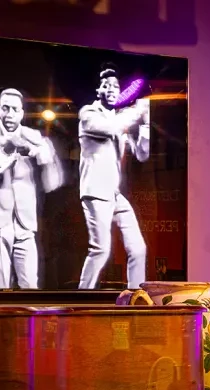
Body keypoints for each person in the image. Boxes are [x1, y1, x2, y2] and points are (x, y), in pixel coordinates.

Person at [0, 88, 63, 289]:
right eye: (5, 108)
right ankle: (2, 322)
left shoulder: (33, 136)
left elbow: (52, 184)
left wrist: (43, 157)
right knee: (1, 287)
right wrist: (5, 151)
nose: (9, 114)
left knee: (31, 286)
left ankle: (30, 322)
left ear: (22, 113)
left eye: (14, 109)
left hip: (25, 223)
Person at [77, 65, 151, 289]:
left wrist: (146, 125)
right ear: (98, 90)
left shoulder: (120, 120)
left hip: (114, 194)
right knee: (101, 250)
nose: (111, 89)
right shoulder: (88, 114)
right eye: (106, 85)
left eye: (116, 86)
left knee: (138, 248)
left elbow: (142, 154)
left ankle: (135, 296)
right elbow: (111, 129)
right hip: (96, 192)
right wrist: (138, 109)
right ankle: (81, 297)